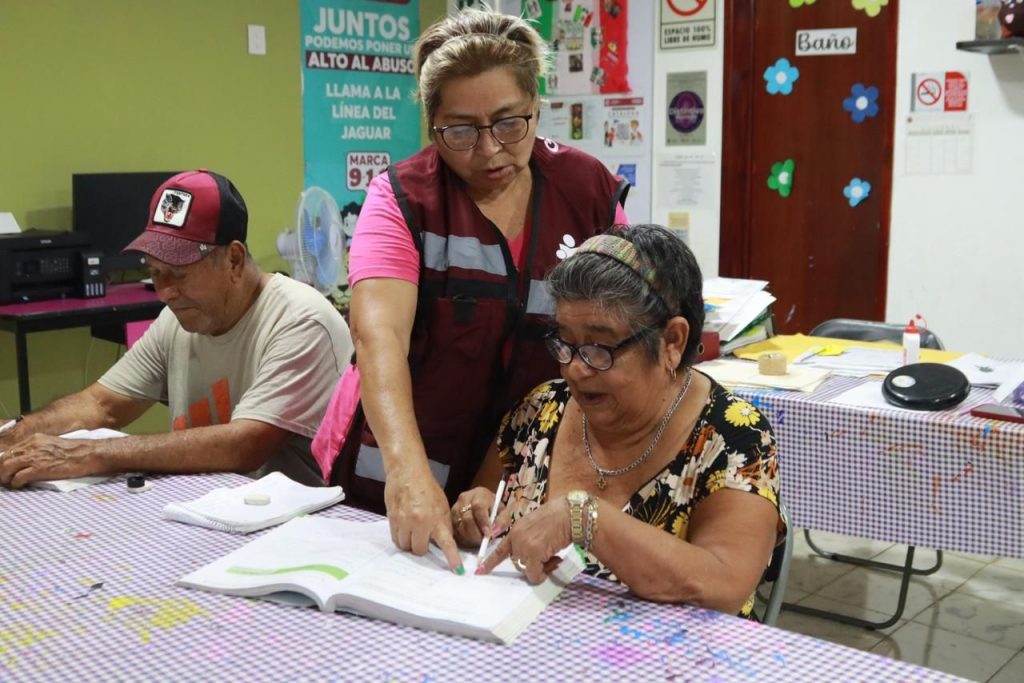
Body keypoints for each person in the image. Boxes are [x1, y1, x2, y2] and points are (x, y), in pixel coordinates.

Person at [312, 8, 629, 574]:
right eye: (459, 131)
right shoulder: (403, 199)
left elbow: (626, 333)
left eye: (509, 124)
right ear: (432, 125)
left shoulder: (589, 194)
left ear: (536, 106)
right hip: (391, 465)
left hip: (515, 473)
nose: (489, 151)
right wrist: (407, 473)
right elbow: (379, 336)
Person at [452, 224, 783, 618]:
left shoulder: (733, 436)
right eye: (564, 342)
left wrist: (585, 517)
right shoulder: (541, 409)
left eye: (600, 347)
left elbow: (726, 584)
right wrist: (473, 515)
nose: (575, 369)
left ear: (672, 341)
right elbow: (484, 508)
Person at [0, 170, 353, 489]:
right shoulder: (177, 319)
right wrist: (16, 433)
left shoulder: (300, 320)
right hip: (201, 510)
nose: (165, 292)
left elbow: (244, 444)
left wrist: (89, 453)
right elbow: (100, 405)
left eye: (179, 274)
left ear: (233, 259)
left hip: (295, 524)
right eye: (155, 273)